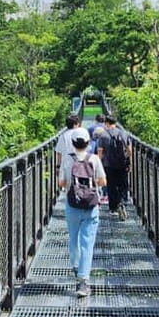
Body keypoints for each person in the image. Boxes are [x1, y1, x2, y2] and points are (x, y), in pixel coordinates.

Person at [59, 127, 106, 298]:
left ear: (72, 143)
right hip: (91, 206)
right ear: (88, 143)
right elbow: (102, 181)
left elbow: (62, 183)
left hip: (72, 205)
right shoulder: (94, 159)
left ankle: (75, 266)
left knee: (74, 238)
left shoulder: (67, 159)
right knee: (87, 242)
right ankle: (83, 281)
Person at [97, 115, 131, 218]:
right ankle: (122, 203)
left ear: (106, 123)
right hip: (122, 164)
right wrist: (129, 162)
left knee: (111, 186)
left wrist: (98, 165)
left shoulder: (103, 135)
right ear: (115, 123)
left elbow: (100, 152)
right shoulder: (124, 133)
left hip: (108, 165)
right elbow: (129, 150)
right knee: (122, 184)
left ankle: (113, 208)